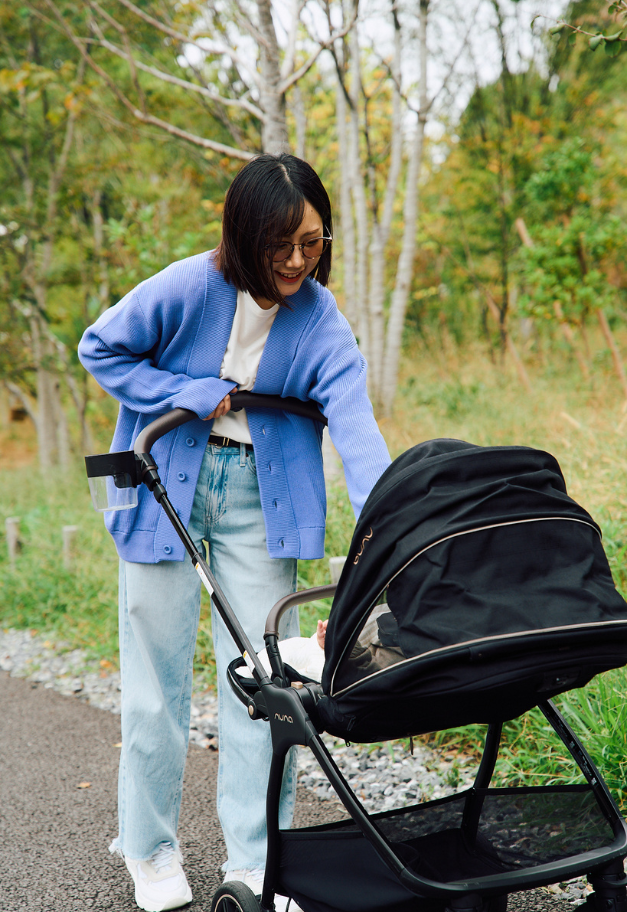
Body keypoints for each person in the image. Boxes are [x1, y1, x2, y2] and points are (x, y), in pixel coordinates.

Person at [78, 153, 391, 912]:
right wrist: (181, 391)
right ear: (242, 236)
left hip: (262, 501)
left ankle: (259, 861)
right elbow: (100, 346)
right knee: (155, 687)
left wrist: (392, 519)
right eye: (278, 244)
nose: (293, 261)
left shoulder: (319, 316)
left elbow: (354, 424)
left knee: (264, 684)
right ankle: (150, 848)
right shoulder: (189, 286)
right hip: (163, 486)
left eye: (311, 243)